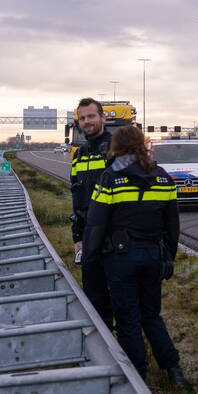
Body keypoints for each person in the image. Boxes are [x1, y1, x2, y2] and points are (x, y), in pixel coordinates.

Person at [83, 125, 190, 387]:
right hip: (153, 255)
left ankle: (137, 377)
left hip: (121, 259)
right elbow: (172, 225)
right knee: (151, 315)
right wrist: (169, 258)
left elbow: (96, 225)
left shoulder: (111, 177)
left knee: (128, 318)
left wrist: (89, 257)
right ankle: (173, 370)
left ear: (116, 146)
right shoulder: (163, 176)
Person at [70, 97, 114, 328]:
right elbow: (76, 198)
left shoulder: (117, 148)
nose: (87, 121)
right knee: (95, 301)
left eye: (91, 116)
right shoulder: (80, 154)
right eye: (83, 118)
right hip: (89, 237)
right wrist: (77, 237)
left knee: (123, 304)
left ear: (103, 118)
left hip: (116, 236)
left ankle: (132, 360)